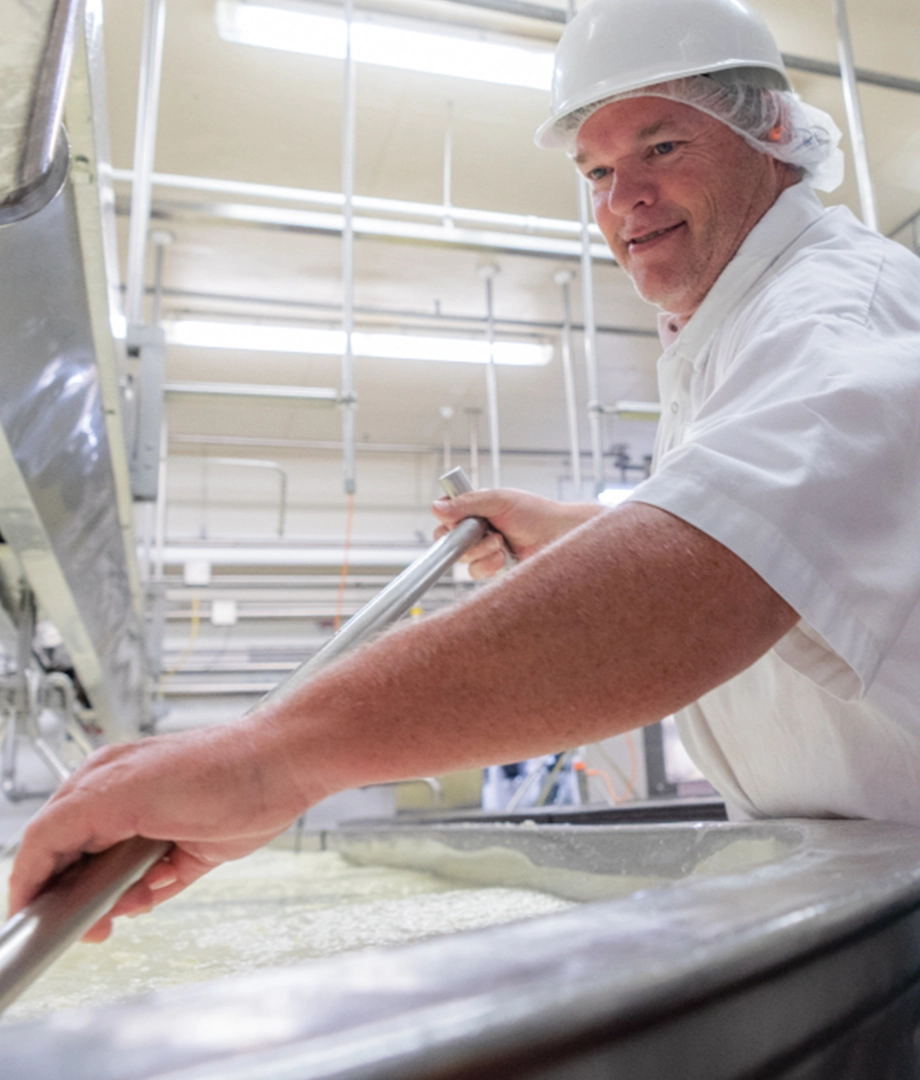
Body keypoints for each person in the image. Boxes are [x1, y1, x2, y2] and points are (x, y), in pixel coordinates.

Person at [9, 0, 920, 941]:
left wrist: (272, 757)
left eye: (662, 148)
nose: (624, 199)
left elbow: (707, 581)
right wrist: (572, 533)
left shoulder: (835, 315)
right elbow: (784, 528)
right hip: (850, 883)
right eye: (599, 171)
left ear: (769, 130)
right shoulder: (727, 332)